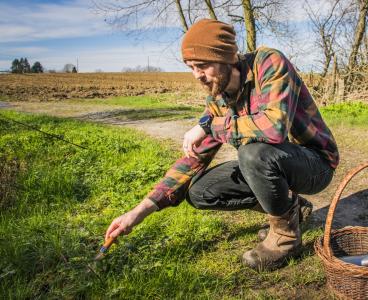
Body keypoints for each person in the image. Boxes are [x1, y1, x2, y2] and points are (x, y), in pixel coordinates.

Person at [105, 19, 339, 270]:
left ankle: (286, 239)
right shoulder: (218, 98)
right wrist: (138, 212)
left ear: (227, 57)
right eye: (191, 67)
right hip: (273, 163)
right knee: (200, 191)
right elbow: (194, 159)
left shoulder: (269, 63)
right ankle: (290, 208)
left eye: (203, 65)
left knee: (253, 153)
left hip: (315, 163)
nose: (197, 75)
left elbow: (274, 128)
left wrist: (209, 125)